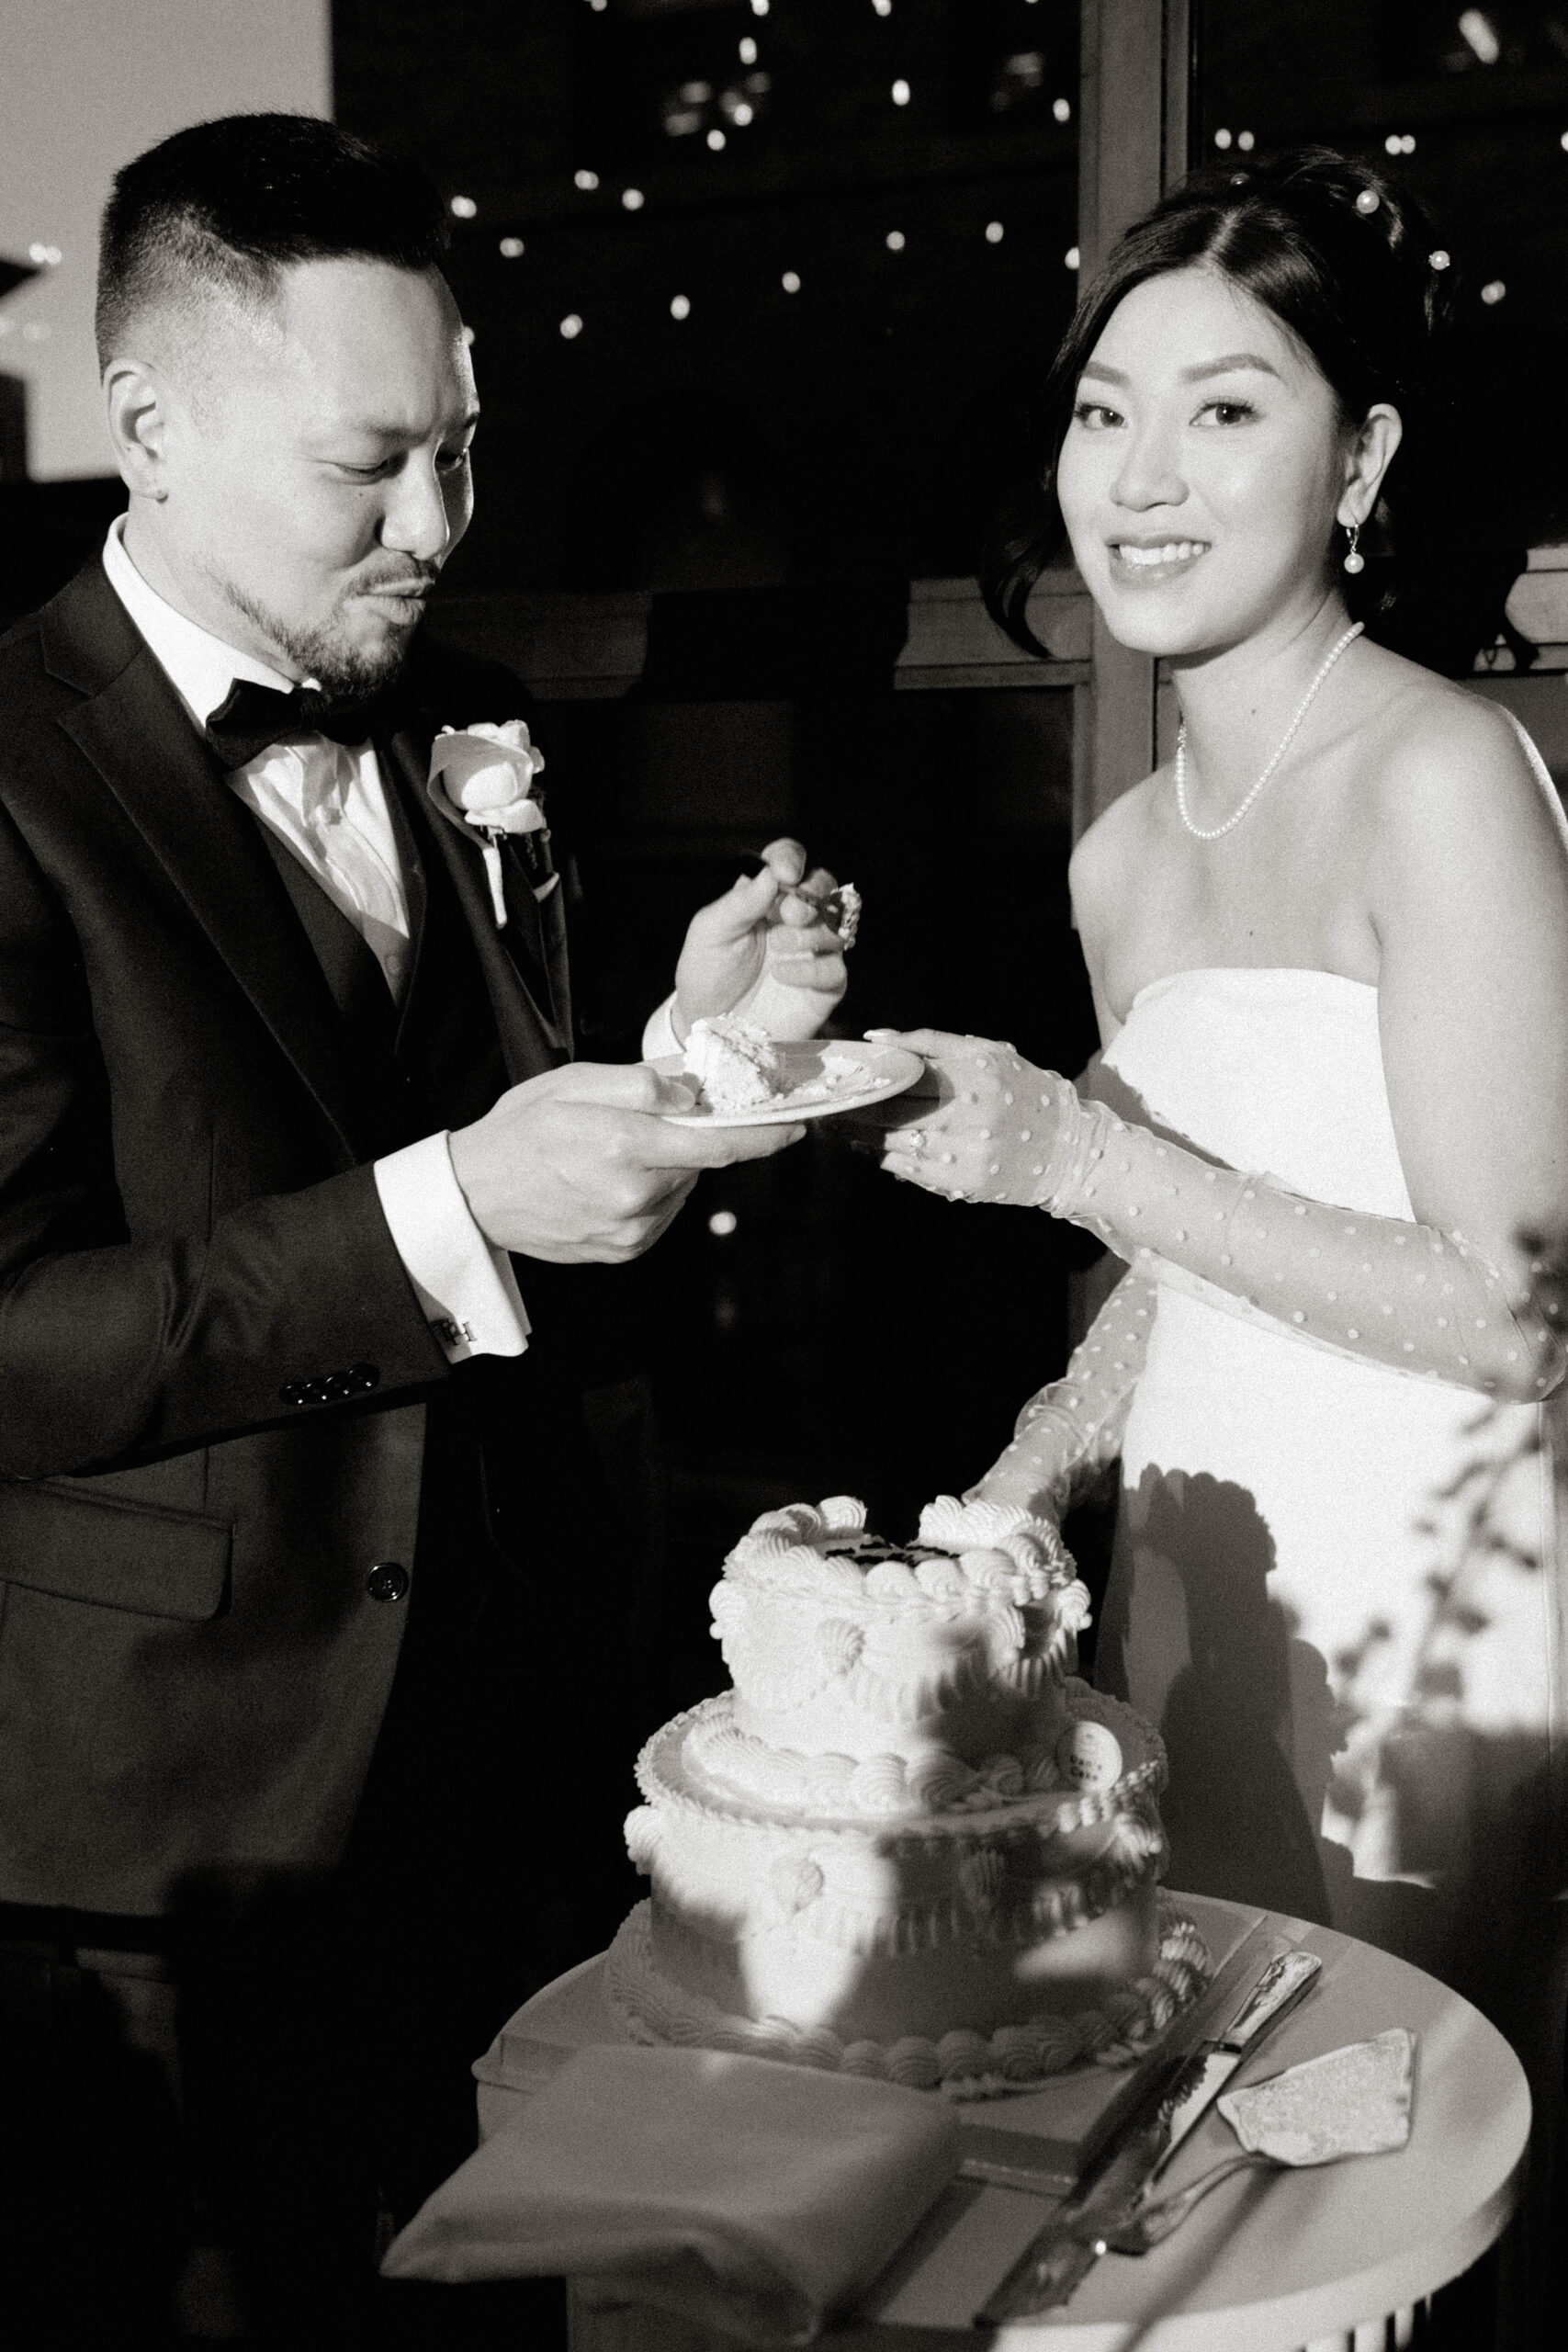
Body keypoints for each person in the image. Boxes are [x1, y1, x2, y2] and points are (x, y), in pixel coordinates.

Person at [0, 115, 848, 2346]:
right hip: (177, 1825)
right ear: (151, 427)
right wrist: (450, 1199)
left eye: (461, 453)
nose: (438, 528)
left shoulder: (464, 729)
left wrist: (692, 1060)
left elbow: (493, 1157)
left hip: (502, 1747)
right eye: (369, 465)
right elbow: (16, 1339)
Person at [874, 148, 1568, 2163]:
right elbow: (1191, 1264)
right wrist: (1014, 1480)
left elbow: (1517, 1309)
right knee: (1173, 2188)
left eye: (1223, 408)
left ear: (1355, 464)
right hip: (1181, 1595)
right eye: (1105, 414)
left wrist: (1071, 1153)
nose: (1140, 475)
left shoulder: (1437, 775)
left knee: (1367, 2183)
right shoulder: (1115, 855)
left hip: (1411, 1614)